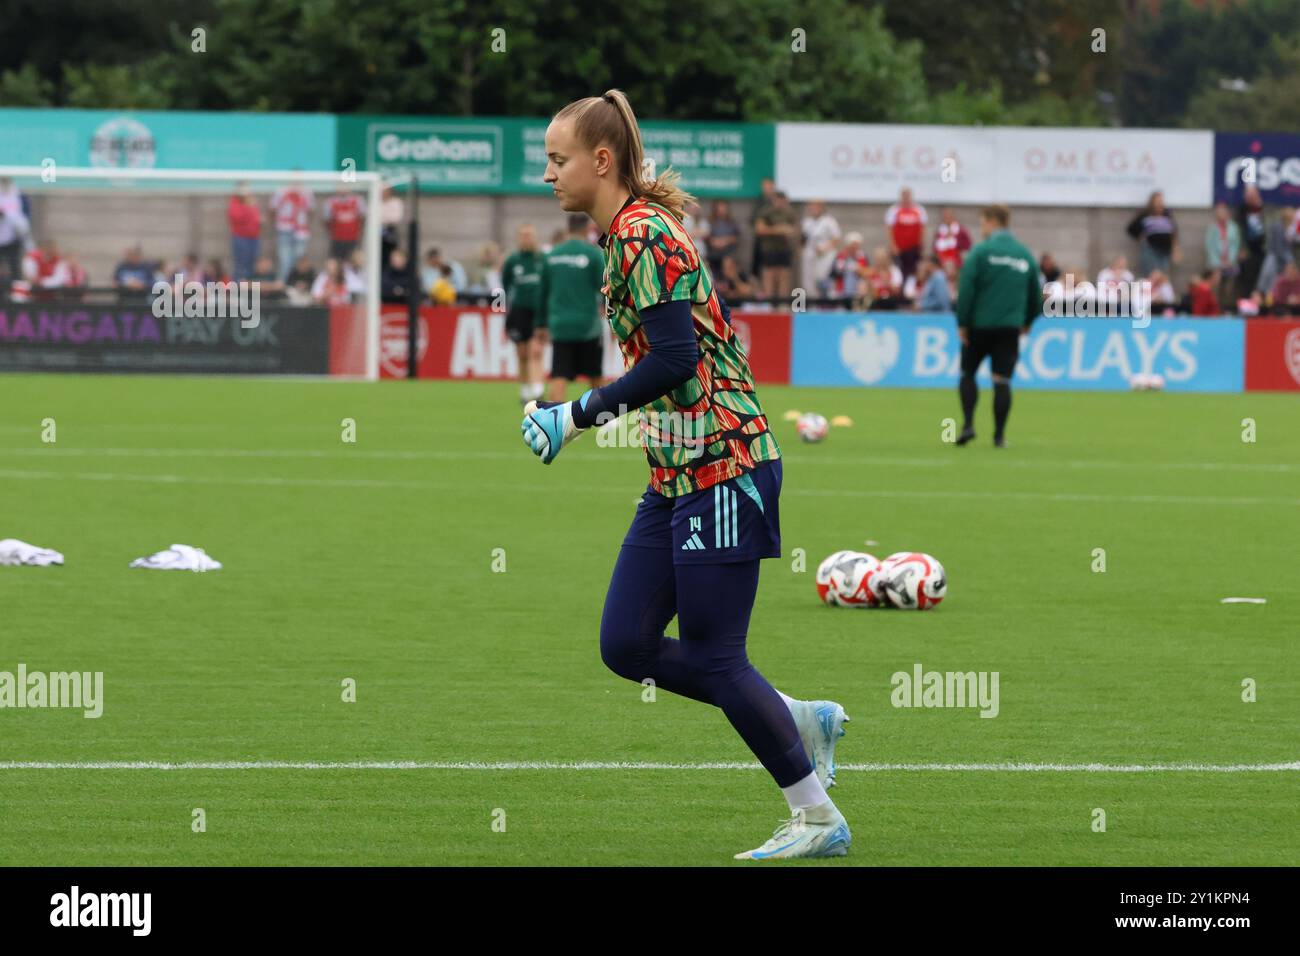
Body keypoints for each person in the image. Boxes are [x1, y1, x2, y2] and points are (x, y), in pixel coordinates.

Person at [526, 88, 851, 861]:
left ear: (600, 162)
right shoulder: (626, 236)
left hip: (725, 465)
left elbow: (677, 359)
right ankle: (793, 716)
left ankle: (816, 816)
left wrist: (576, 417)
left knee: (713, 654)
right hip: (679, 472)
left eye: (557, 159)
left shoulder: (640, 234)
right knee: (626, 643)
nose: (548, 175)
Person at [954, 205, 1039, 448]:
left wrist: (963, 322)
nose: (982, 227)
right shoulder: (1024, 254)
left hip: (979, 326)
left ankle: (969, 424)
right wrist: (1027, 321)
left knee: (967, 373)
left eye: (982, 222)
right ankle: (999, 436)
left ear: (992, 222)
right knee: (1002, 381)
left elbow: (966, 290)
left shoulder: (980, 252)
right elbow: (1036, 295)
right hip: (1009, 327)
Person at [538, 213, 610, 402]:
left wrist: (541, 324)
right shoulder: (593, 254)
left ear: (568, 228)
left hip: (560, 324)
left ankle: (553, 417)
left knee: (559, 375)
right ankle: (606, 420)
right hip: (588, 325)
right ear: (587, 229)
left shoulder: (551, 256)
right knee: (595, 374)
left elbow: (542, 293)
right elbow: (605, 289)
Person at [502, 224, 547, 404]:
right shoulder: (513, 260)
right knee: (522, 353)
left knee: (535, 351)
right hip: (519, 311)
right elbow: (505, 284)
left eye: (529, 235)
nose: (526, 238)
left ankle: (538, 391)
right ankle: (525, 390)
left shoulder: (542, 259)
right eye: (523, 235)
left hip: (538, 311)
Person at [270, 174, 314, 283]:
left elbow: (311, 211)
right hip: (285, 230)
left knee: (299, 260)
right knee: (285, 260)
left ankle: (295, 286)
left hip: (300, 231)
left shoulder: (307, 192)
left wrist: (303, 224)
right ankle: (283, 286)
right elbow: (273, 208)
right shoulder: (281, 192)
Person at [754, 190, 797, 299]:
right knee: (769, 275)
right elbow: (759, 229)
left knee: (784, 276)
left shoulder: (789, 212)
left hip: (784, 248)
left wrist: (790, 232)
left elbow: (795, 228)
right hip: (769, 248)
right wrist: (778, 230)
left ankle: (782, 303)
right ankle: (769, 301)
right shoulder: (766, 212)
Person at [1126, 190, 1179, 278]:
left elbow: (1173, 232)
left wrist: (1175, 249)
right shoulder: (1145, 215)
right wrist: (1140, 237)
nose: (1159, 203)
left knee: (1163, 275)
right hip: (1151, 249)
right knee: (1151, 275)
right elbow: (1131, 229)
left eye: (1161, 200)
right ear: (1152, 201)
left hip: (1165, 250)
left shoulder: (1167, 214)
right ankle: (1148, 291)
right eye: (1157, 200)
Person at [800, 199, 840, 299]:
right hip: (810, 254)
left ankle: (826, 304)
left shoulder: (829, 221)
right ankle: (812, 305)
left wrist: (824, 248)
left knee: (822, 279)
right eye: (812, 206)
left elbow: (836, 238)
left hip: (825, 255)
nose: (814, 209)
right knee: (808, 281)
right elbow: (803, 238)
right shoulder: (806, 222)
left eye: (816, 206)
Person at [886, 187, 927, 281]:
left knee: (913, 271)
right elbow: (889, 229)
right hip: (899, 249)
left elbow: (923, 228)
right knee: (899, 272)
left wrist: (921, 243)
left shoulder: (919, 210)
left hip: (914, 248)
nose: (906, 197)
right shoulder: (894, 210)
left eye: (907, 195)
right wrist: (893, 245)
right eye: (904, 195)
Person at [1205, 202, 1241, 310]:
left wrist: (1231, 260)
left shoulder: (1233, 228)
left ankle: (1227, 308)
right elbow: (1209, 246)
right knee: (1216, 283)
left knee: (1230, 285)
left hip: (1231, 263)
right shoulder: (1212, 228)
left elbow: (1236, 244)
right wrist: (1218, 264)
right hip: (1216, 263)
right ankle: (1215, 308)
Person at [227, 183, 262, 282]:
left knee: (252, 264)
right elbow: (237, 218)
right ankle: (237, 287)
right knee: (241, 265)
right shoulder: (235, 203)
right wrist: (248, 207)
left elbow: (256, 217)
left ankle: (248, 289)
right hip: (242, 237)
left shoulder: (251, 202)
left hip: (254, 237)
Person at [324, 186, 366, 262]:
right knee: (336, 260)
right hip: (337, 238)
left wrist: (359, 231)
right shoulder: (331, 201)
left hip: (353, 237)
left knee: (352, 260)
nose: (343, 189)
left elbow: (362, 217)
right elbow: (327, 220)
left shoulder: (358, 200)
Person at [932, 207, 971, 271]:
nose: (947, 217)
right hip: (941, 262)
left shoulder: (960, 231)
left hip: (956, 262)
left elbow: (968, 246)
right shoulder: (939, 231)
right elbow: (935, 249)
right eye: (945, 216)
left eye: (949, 215)